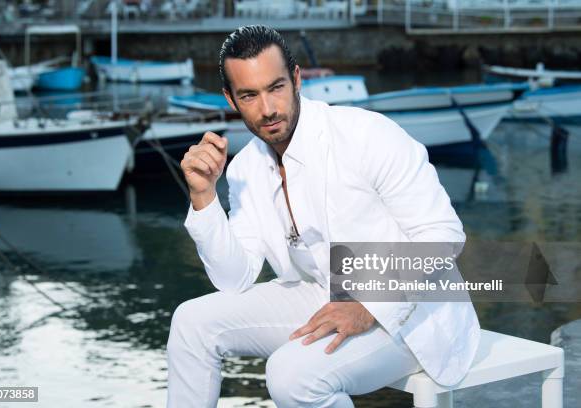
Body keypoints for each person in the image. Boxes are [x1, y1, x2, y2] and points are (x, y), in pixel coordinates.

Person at [167, 25, 480, 407]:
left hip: (416, 312)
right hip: (322, 292)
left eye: (276, 87)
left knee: (290, 375)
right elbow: (234, 278)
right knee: (190, 323)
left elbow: (443, 234)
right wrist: (204, 198)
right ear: (230, 99)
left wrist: (369, 305)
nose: (267, 109)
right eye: (249, 95)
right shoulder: (245, 168)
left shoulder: (367, 135)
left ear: (297, 79)